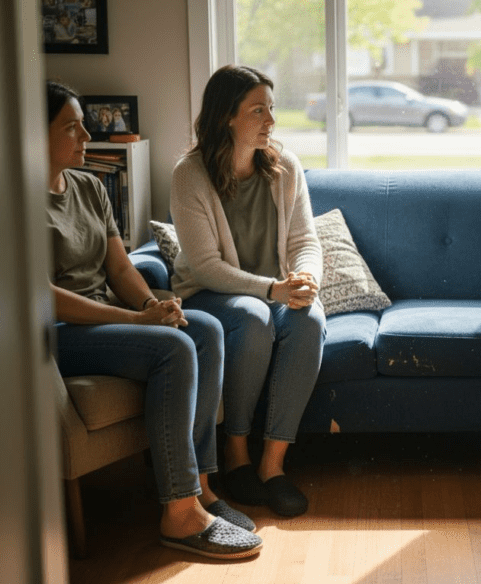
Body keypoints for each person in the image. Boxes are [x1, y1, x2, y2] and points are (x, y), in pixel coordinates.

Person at [45, 80, 262, 559]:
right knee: (174, 346)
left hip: (108, 317)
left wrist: (151, 307)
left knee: (202, 327)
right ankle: (179, 513)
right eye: (71, 127)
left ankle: (202, 486)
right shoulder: (13, 206)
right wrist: (139, 323)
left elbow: (120, 267)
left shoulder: (87, 185)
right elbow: (45, 298)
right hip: (59, 334)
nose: (86, 136)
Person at [171, 65, 326, 518]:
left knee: (310, 317)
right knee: (252, 316)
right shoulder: (190, 174)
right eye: (258, 110)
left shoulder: (285, 167)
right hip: (211, 293)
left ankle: (271, 467)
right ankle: (235, 454)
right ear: (226, 117)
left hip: (273, 291)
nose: (271, 121)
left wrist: (306, 278)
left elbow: (305, 240)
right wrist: (273, 289)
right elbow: (206, 266)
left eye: (271, 109)